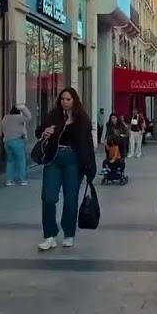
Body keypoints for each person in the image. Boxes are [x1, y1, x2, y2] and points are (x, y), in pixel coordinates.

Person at [35, 87, 96, 251]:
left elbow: (87, 145)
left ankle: (69, 233)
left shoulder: (81, 119)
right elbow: (38, 131)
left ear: (74, 100)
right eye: (63, 99)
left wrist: (90, 168)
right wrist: (45, 132)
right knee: (48, 197)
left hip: (73, 160)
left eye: (68, 99)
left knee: (70, 199)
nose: (65, 102)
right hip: (54, 159)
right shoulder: (54, 115)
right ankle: (49, 235)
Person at [1, 104, 31, 187]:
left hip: (7, 142)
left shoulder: (5, 118)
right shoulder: (19, 118)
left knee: (10, 161)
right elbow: (28, 116)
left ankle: (9, 180)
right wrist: (24, 108)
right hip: (17, 141)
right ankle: (22, 180)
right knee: (21, 161)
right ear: (19, 112)